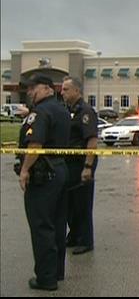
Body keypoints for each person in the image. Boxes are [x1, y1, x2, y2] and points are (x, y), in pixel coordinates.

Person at [16, 74, 70, 291]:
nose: (30, 92)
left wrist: (25, 170)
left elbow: (35, 144)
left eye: (33, 88)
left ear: (48, 88)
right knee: (57, 223)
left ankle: (46, 278)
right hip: (60, 170)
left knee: (41, 225)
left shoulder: (40, 112)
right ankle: (56, 271)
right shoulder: (61, 109)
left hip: (43, 173)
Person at [60, 76, 98, 255]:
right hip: (68, 163)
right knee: (70, 203)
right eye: (62, 89)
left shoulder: (86, 111)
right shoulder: (67, 110)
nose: (62, 92)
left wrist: (88, 166)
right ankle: (74, 235)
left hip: (81, 162)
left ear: (77, 91)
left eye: (66, 89)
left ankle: (85, 240)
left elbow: (91, 140)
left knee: (82, 203)